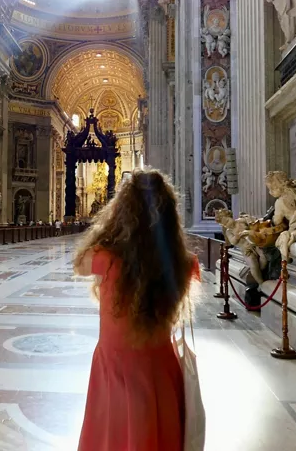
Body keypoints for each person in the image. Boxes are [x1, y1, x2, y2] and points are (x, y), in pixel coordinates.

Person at [73, 169, 200, 450]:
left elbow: (79, 262)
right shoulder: (184, 263)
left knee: (112, 437)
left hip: (116, 366)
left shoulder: (105, 258)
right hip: (160, 368)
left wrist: (110, 226)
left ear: (122, 211)